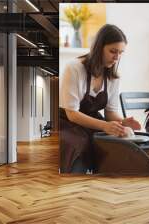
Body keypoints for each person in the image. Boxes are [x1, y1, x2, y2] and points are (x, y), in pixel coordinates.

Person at [59, 24, 141, 173]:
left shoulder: (113, 78)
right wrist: (104, 126)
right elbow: (72, 114)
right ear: (99, 47)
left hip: (93, 122)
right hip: (68, 122)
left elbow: (110, 114)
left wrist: (123, 121)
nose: (117, 58)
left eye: (121, 53)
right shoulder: (74, 68)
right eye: (113, 51)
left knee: (113, 147)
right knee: (79, 146)